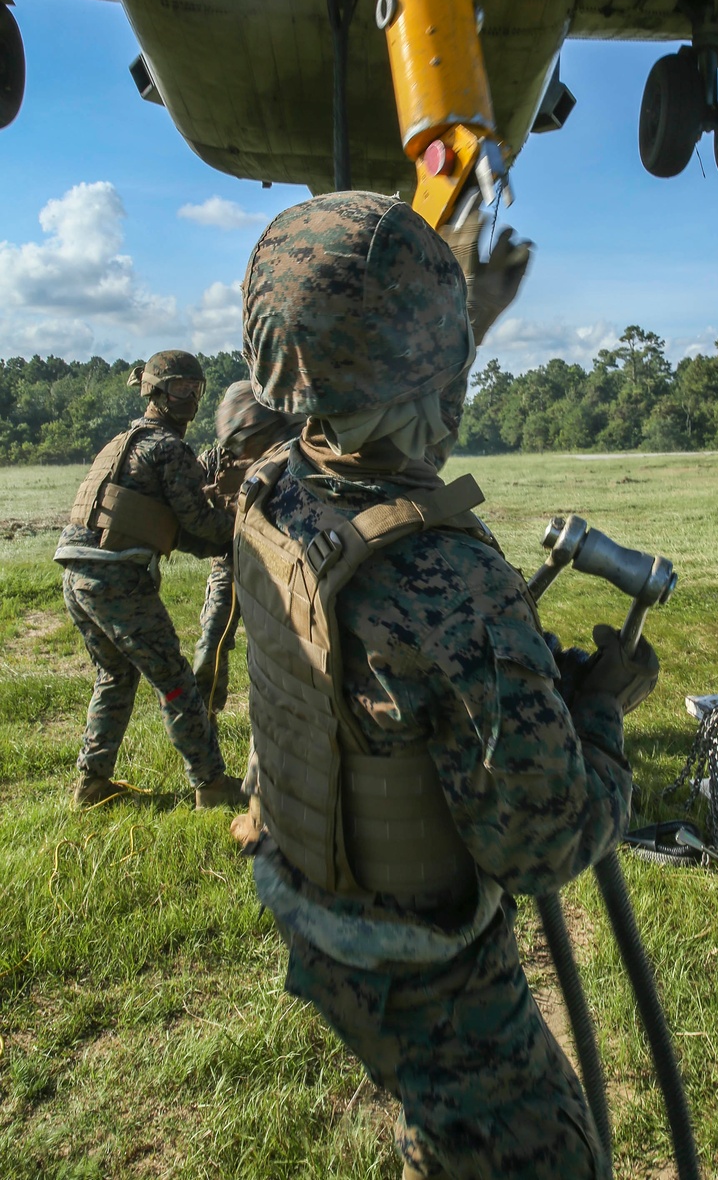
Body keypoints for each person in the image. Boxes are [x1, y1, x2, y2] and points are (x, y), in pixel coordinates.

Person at [231, 192, 658, 1179]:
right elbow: (542, 844)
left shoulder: (272, 484)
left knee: (435, 1124)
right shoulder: (447, 583)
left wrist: (457, 315)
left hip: (311, 906)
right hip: (419, 970)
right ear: (428, 372)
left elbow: (384, 425)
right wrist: (596, 717)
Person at [56, 350, 245, 810]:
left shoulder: (122, 442)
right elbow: (199, 523)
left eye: (197, 390)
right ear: (156, 392)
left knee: (115, 676)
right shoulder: (166, 448)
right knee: (175, 681)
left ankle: (91, 785)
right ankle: (211, 785)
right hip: (115, 579)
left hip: (78, 574)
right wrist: (246, 528)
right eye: (182, 389)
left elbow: (176, 531)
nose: (191, 400)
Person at [193, 381, 303, 724]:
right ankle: (204, 713)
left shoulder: (293, 454)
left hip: (281, 562)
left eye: (248, 442)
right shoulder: (215, 458)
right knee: (212, 640)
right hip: (230, 558)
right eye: (237, 444)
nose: (242, 451)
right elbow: (186, 492)